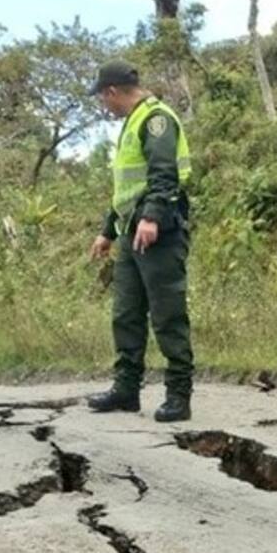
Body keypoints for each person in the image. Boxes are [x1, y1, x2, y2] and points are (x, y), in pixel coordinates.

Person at [86, 60, 194, 422]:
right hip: (131, 233)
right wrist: (107, 230)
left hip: (159, 233)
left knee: (167, 314)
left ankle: (179, 395)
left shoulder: (156, 119)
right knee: (126, 314)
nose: (104, 106)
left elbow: (165, 174)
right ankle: (126, 390)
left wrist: (151, 216)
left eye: (103, 98)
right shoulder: (131, 124)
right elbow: (126, 189)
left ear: (112, 92)